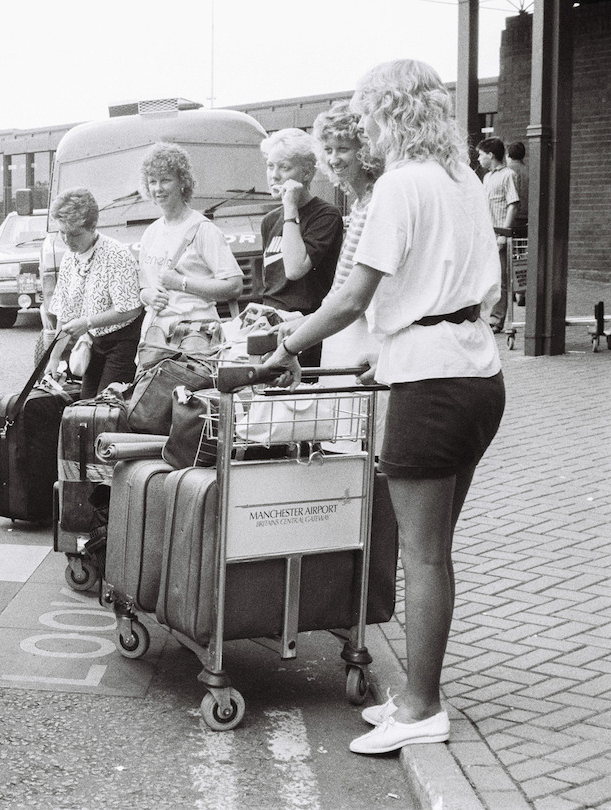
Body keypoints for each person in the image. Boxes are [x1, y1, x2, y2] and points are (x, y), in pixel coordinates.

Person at [260, 59, 505, 756]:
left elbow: (349, 298)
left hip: (430, 390)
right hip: (477, 376)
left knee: (423, 557)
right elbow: (468, 285)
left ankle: (423, 708)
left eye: (368, 115)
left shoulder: (401, 184)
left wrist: (285, 351)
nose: (362, 130)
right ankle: (417, 693)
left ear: (391, 113)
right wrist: (386, 349)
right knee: (436, 554)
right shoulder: (462, 180)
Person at [309, 102, 386, 449]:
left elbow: (355, 287)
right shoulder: (359, 203)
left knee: (355, 442)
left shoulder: (375, 201)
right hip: (343, 328)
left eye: (343, 149)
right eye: (328, 150)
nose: (334, 158)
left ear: (364, 151)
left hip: (359, 331)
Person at [136, 142, 243, 367]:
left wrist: (181, 283)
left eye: (165, 180)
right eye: (152, 182)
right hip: (156, 336)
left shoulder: (204, 230)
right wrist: (149, 296)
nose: (158, 188)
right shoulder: (151, 232)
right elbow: (144, 287)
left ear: (183, 182)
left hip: (196, 335)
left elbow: (234, 286)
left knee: (189, 399)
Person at [44, 187, 144, 398]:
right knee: (85, 405)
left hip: (123, 343)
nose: (67, 240)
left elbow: (131, 309)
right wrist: (54, 357)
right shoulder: (70, 258)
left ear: (92, 226)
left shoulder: (116, 254)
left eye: (74, 234)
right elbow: (65, 312)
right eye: (62, 232)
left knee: (106, 408)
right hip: (94, 344)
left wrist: (87, 322)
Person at [258, 128, 344, 368]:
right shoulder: (269, 221)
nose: (274, 176)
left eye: (284, 167)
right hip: (269, 326)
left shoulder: (326, 215)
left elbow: (295, 269)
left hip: (304, 329)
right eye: (270, 166)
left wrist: (290, 209)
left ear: (306, 172)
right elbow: (272, 284)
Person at [476, 136, 520, 332]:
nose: (479, 159)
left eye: (481, 155)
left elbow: (513, 204)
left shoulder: (508, 175)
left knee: (501, 277)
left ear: (491, 155)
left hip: (500, 234)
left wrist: (504, 233)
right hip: (487, 234)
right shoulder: (487, 177)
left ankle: (496, 319)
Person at [507, 141, 529, 231]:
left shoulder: (506, 171)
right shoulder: (529, 170)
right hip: (526, 215)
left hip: (511, 215)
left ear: (508, 154)